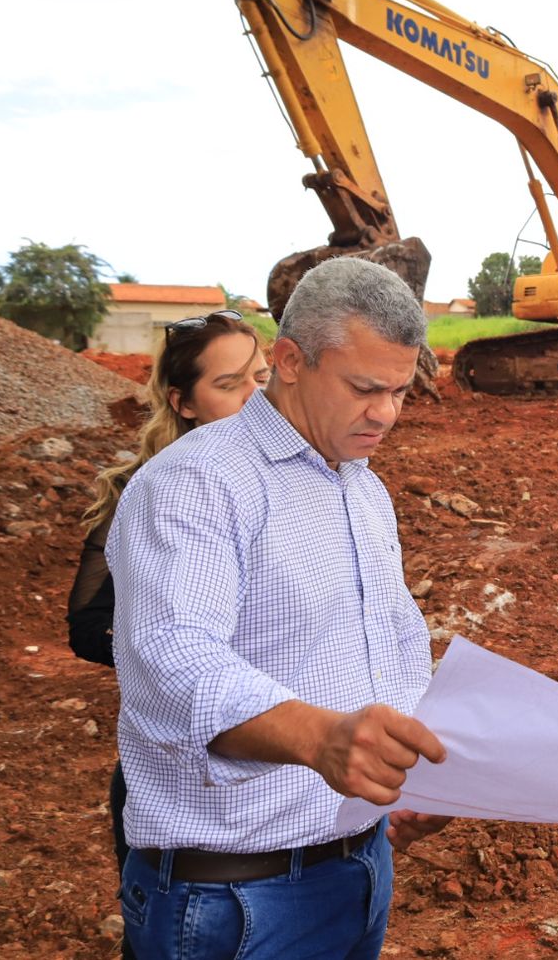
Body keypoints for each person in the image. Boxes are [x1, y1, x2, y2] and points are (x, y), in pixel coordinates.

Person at [108, 258, 450, 960]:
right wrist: (320, 739)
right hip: (236, 901)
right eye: (365, 389)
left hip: (359, 867)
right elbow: (173, 661)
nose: (386, 413)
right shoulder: (195, 481)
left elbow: (389, 645)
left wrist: (414, 771)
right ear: (290, 361)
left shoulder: (361, 486)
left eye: (398, 391)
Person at [68, 309, 269, 960]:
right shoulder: (144, 489)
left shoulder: (297, 478)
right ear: (182, 403)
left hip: (279, 772)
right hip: (175, 773)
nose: (254, 397)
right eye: (230, 384)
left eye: (262, 378)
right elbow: (87, 624)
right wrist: (172, 653)